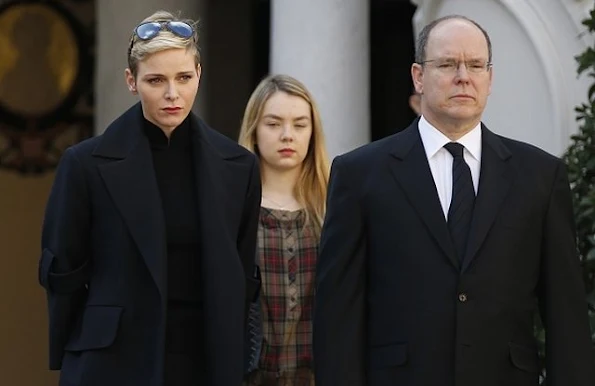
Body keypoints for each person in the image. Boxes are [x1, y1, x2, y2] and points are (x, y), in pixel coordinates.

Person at [313, 15, 595, 386]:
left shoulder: (540, 177)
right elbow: (338, 317)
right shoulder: (359, 174)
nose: (463, 76)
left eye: (476, 65)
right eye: (447, 64)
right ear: (418, 76)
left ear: (489, 79)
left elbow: (566, 317)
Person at [38, 10, 261, 386]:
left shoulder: (239, 166)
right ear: (131, 81)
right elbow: (63, 273)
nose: (172, 94)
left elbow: (241, 278)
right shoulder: (84, 164)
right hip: (111, 362)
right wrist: (77, 348)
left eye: (184, 78)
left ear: (199, 75)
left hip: (207, 362)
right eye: (156, 80)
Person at [238, 74, 330, 386]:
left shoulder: (335, 210)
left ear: (312, 134)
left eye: (300, 124)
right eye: (274, 124)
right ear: (254, 130)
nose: (287, 135)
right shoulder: (231, 210)